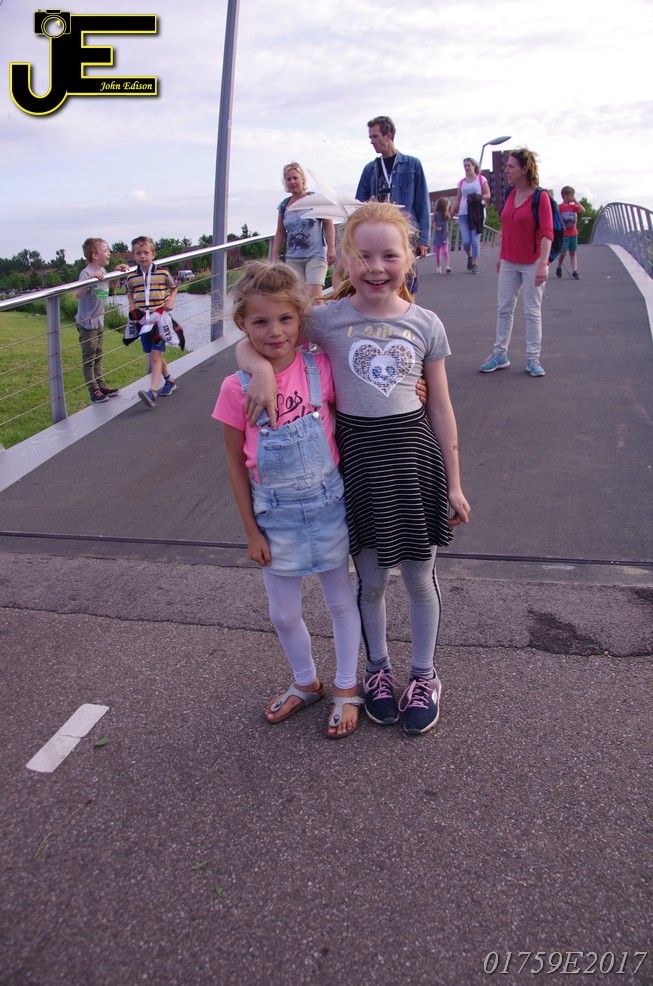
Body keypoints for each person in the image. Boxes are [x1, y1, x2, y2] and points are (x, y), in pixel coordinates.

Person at [237, 202, 470, 737]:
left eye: (389, 255)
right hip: (360, 464)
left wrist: (455, 484)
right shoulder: (325, 319)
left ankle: (425, 676)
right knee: (371, 580)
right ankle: (378, 670)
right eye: (363, 256)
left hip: (414, 460)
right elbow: (260, 335)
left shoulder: (426, 324)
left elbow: (440, 406)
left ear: (410, 257)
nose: (376, 267)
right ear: (344, 259)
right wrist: (259, 371)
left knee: (419, 577)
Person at [213, 262, 363, 739]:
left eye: (285, 319)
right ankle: (306, 681)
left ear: (300, 319)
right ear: (242, 323)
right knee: (282, 612)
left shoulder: (320, 367)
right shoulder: (235, 388)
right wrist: (250, 531)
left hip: (328, 505)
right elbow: (236, 464)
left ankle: (346, 686)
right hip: (274, 516)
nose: (274, 331)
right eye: (260, 322)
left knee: (341, 602)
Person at [480, 147, 553, 378]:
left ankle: (533, 358)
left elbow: (547, 232)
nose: (506, 171)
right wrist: (502, 256)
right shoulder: (511, 193)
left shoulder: (540, 197)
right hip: (509, 261)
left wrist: (543, 263)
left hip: (533, 262)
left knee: (532, 311)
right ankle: (500, 354)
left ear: (524, 169)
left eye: (511, 166)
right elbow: (507, 227)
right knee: (504, 309)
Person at [355, 116, 430, 293]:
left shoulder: (412, 165)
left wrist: (424, 240)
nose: (371, 142)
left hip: (406, 232)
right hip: (379, 233)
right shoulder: (370, 169)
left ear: (388, 135)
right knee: (383, 280)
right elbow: (358, 204)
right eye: (370, 137)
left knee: (408, 282)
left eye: (375, 137)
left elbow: (422, 202)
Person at [124, 236, 179, 407]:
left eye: (146, 252)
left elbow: (174, 287)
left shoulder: (162, 273)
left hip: (160, 320)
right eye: (138, 253)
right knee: (155, 354)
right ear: (134, 255)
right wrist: (132, 305)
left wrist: (170, 301)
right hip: (143, 322)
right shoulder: (132, 277)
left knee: (155, 356)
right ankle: (169, 380)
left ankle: (152, 392)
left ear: (153, 254)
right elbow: (129, 290)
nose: (142, 256)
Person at [73, 239, 129, 404]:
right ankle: (93, 390)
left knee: (98, 355)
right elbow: (78, 294)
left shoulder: (103, 270)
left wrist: (116, 273)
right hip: (87, 324)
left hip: (99, 322)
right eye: (106, 250)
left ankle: (101, 386)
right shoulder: (86, 273)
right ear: (95, 255)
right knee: (89, 358)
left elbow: (111, 288)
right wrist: (90, 279)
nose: (109, 253)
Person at [271, 162, 336, 303]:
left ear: (302, 179)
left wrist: (331, 248)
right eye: (289, 179)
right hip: (293, 258)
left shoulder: (315, 200)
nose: (292, 182)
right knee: (297, 299)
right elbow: (280, 232)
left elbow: (328, 225)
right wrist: (275, 254)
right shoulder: (284, 205)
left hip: (315, 255)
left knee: (315, 299)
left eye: (295, 178)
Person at [451, 157, 491, 274]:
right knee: (466, 241)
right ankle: (469, 256)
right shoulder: (461, 183)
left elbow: (488, 195)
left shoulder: (481, 179)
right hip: (464, 213)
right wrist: (453, 210)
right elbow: (458, 199)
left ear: (474, 166)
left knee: (475, 240)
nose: (467, 168)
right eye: (465, 166)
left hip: (477, 213)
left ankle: (475, 264)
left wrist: (478, 196)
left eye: (469, 165)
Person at [555, 185, 586, 280]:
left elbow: (582, 210)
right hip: (564, 234)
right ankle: (559, 266)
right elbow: (556, 218)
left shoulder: (573, 207)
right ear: (565, 196)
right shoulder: (559, 207)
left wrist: (576, 201)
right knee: (563, 252)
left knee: (573, 252)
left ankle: (575, 271)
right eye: (571, 195)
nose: (573, 197)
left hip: (573, 233)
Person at [432, 197, 452, 274]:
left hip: (445, 236)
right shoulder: (436, 214)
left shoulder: (446, 214)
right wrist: (436, 228)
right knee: (437, 254)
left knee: (445, 251)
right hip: (438, 236)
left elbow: (450, 218)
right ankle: (438, 267)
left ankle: (447, 266)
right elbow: (432, 223)